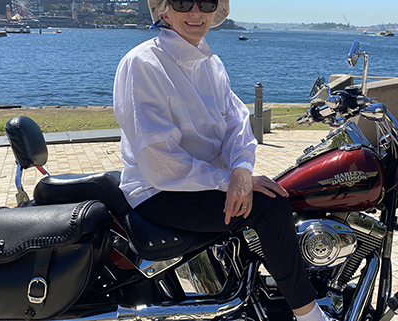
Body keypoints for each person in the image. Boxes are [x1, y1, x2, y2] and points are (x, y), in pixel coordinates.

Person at [112, 1, 331, 320]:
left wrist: (242, 169)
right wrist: (229, 180)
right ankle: (309, 314)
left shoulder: (210, 63)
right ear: (164, 11)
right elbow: (157, 159)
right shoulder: (143, 64)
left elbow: (237, 122)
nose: (196, 12)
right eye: (183, 2)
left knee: (284, 189)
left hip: (201, 183)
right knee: (269, 207)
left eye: (206, 2)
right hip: (158, 191)